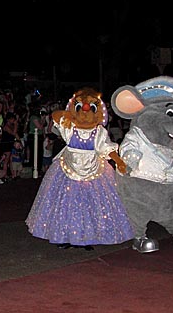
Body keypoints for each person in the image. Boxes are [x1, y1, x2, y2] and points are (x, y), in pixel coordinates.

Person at [26, 88, 133, 250]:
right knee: (66, 205)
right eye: (80, 108)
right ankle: (65, 236)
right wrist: (67, 114)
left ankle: (87, 237)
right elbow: (55, 116)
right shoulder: (70, 128)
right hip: (68, 169)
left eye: (91, 109)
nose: (85, 112)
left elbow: (106, 148)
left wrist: (118, 161)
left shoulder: (99, 132)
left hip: (94, 171)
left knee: (90, 206)